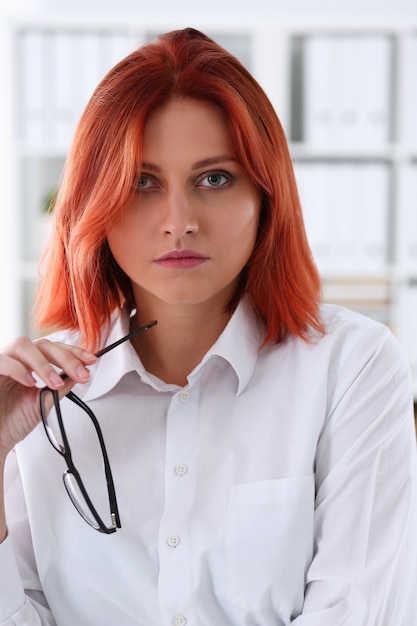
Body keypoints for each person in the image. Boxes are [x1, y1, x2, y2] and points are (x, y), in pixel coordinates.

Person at [0, 27, 416, 626]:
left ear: (265, 197)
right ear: (97, 201)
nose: (178, 222)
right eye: (142, 183)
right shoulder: (36, 396)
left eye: (214, 178)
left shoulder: (352, 366)